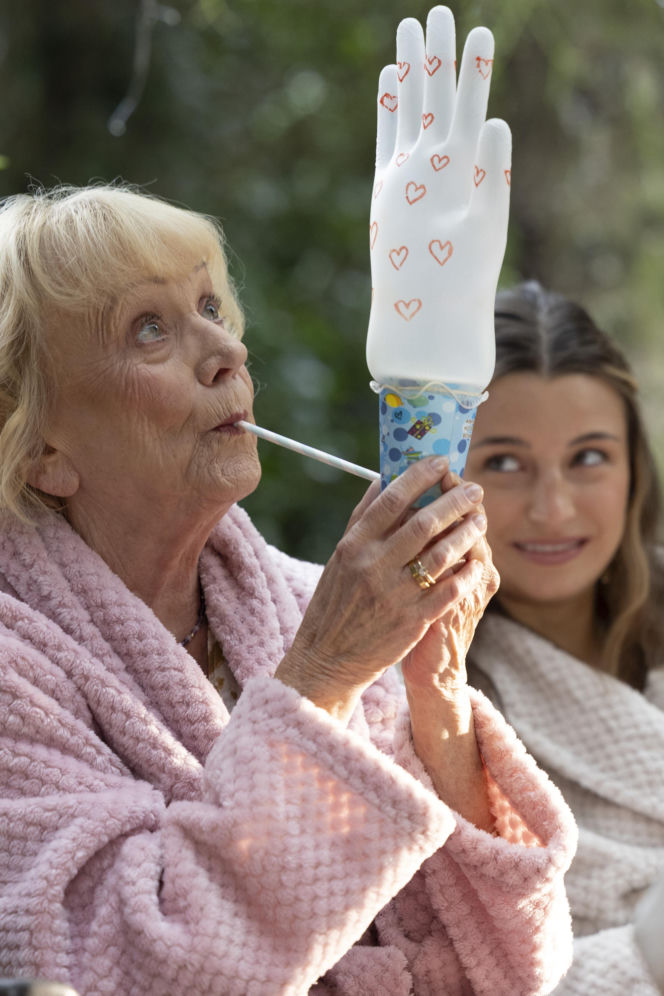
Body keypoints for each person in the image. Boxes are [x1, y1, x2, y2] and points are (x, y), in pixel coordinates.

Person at [0, 11, 577, 996]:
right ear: (42, 445)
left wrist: (435, 687)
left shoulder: (303, 604)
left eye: (210, 308)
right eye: (150, 330)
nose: (225, 352)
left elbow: (509, 965)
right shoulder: (20, 673)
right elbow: (135, 963)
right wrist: (318, 680)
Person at [465, 280, 664, 994]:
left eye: (588, 458)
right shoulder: (416, 699)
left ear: (634, 469)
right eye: (505, 464)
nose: (553, 508)